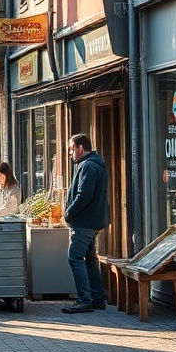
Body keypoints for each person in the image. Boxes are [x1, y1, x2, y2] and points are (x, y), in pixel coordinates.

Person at [62, 133, 109, 314]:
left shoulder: (88, 166)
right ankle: (97, 298)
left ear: (80, 148)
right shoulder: (95, 164)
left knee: (75, 257)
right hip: (93, 221)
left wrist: (69, 213)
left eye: (71, 150)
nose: (70, 154)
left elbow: (84, 195)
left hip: (84, 222)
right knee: (90, 259)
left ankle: (84, 300)